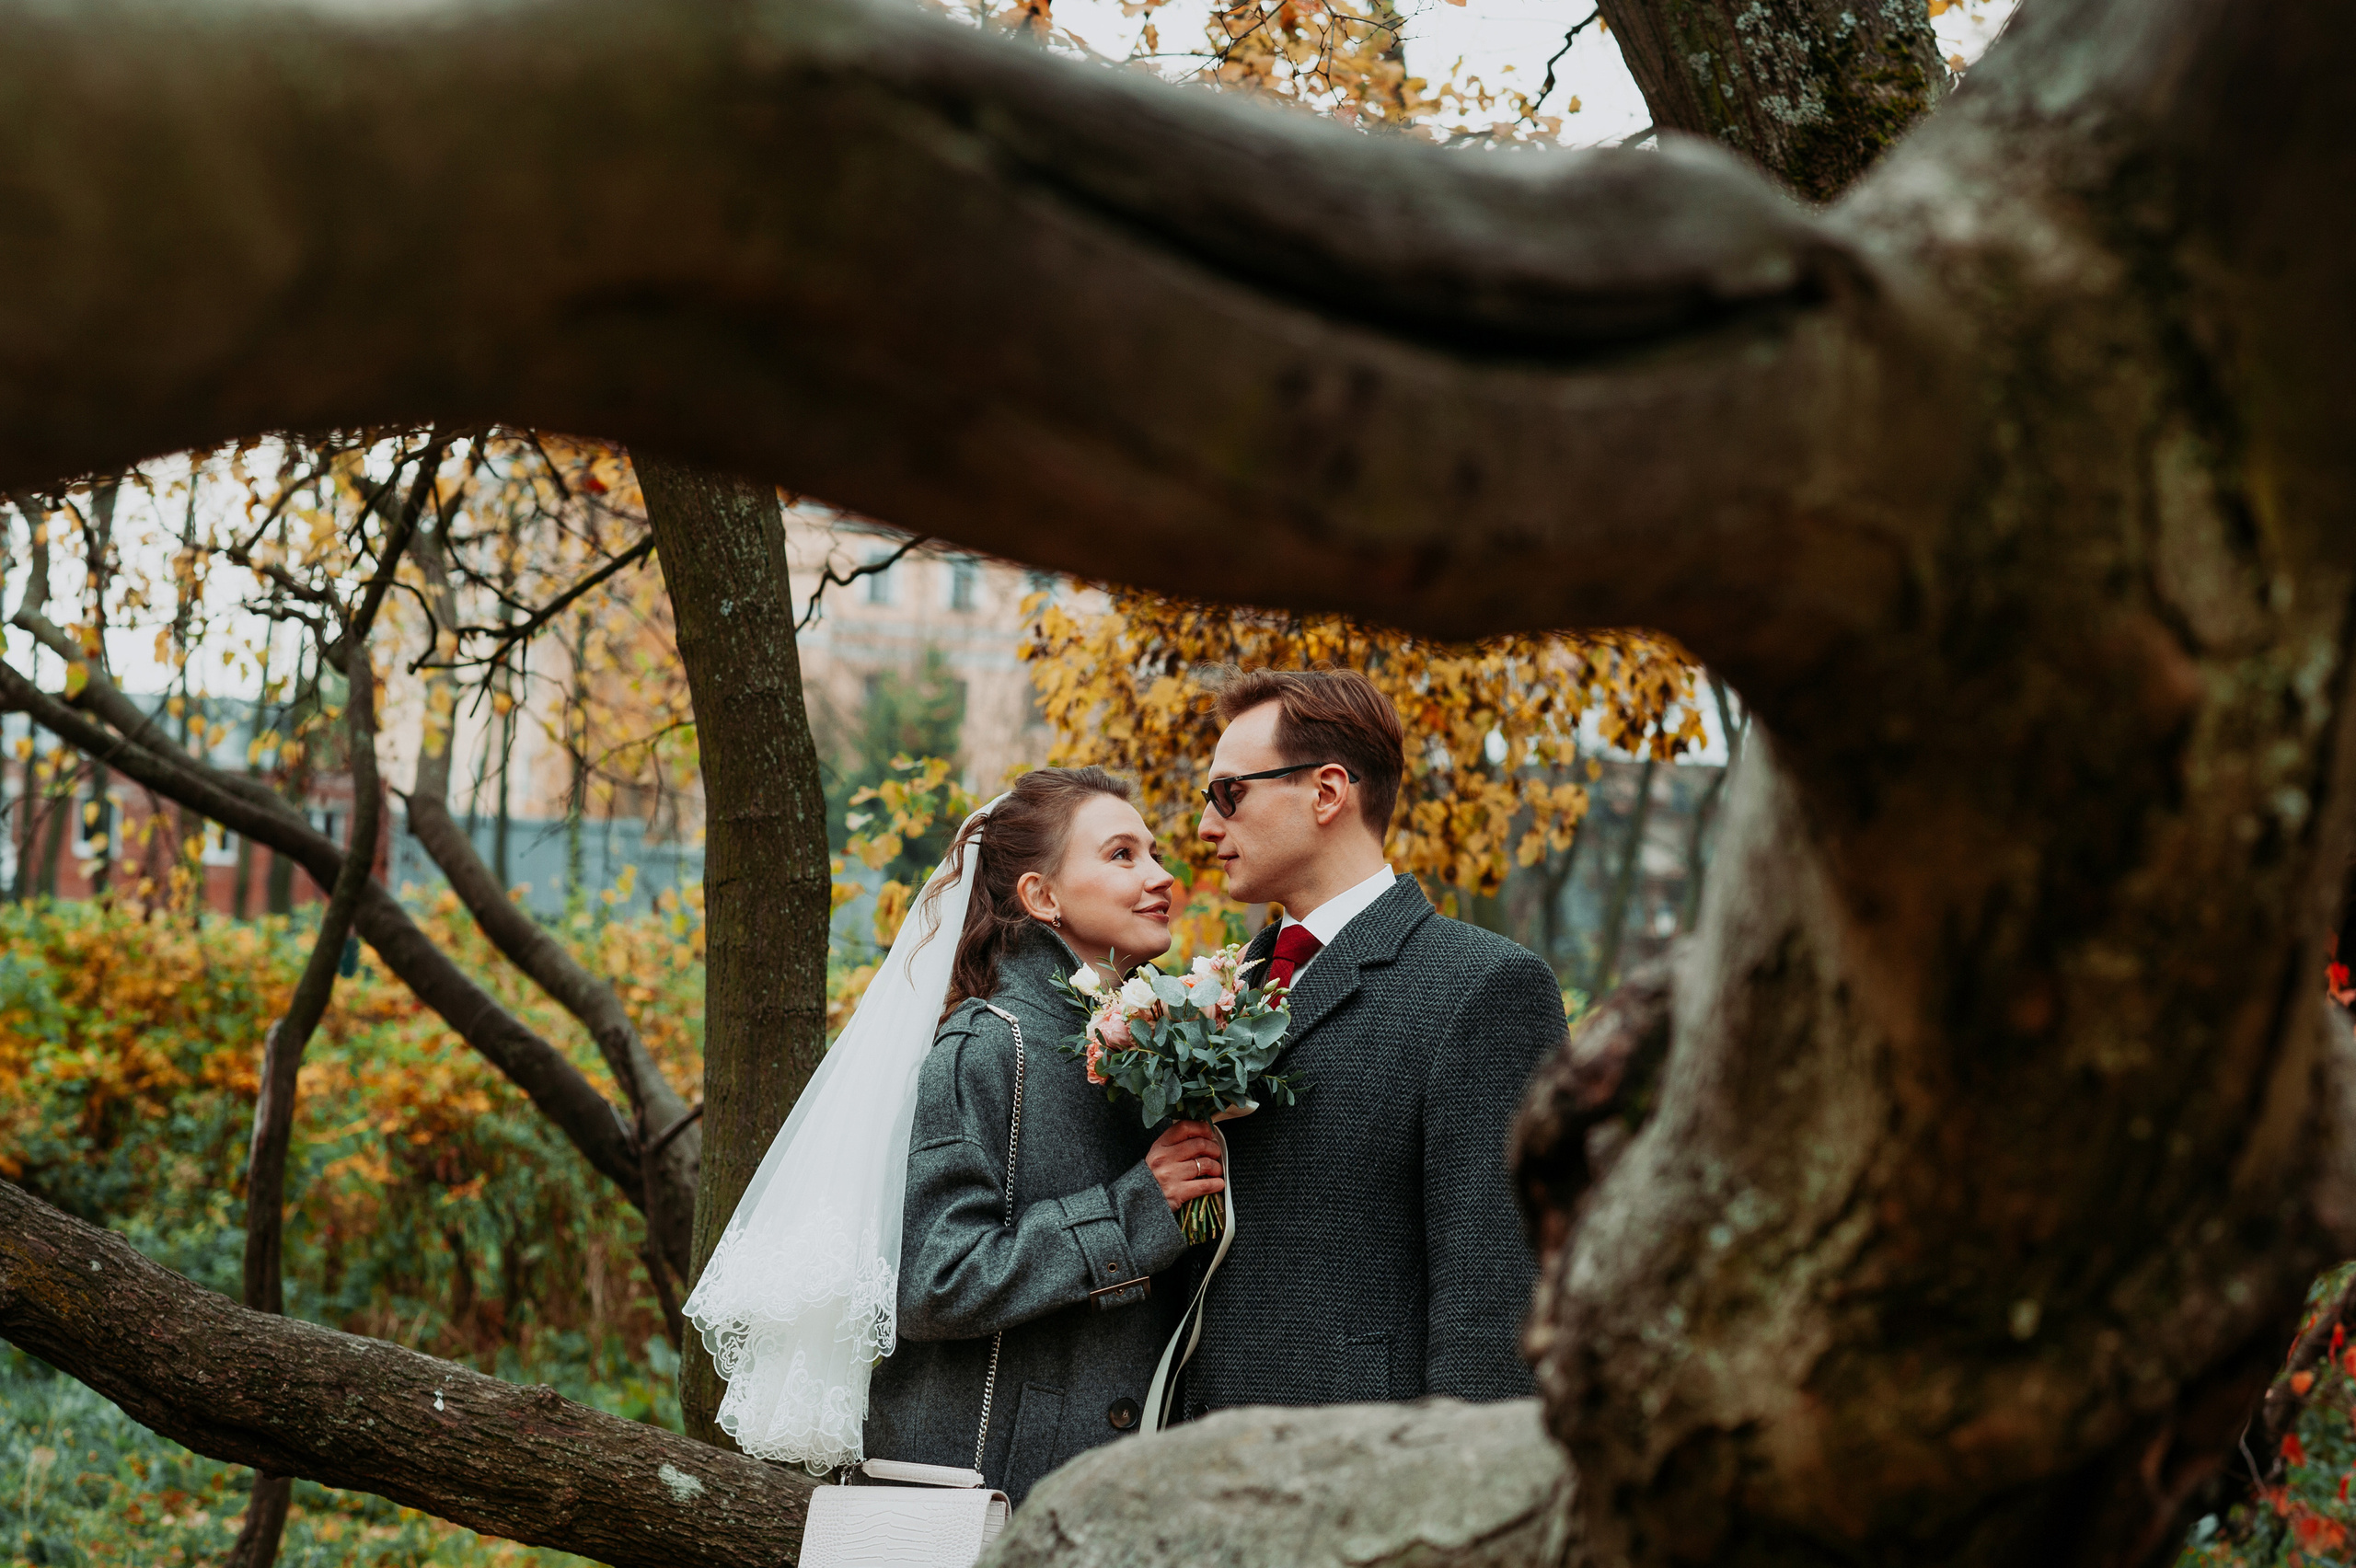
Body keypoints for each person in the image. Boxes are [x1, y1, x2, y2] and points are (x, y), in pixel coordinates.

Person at [685, 767, 1221, 1505]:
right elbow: (934, 1280)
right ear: (1042, 897)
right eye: (1123, 855)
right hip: (985, 1491)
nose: (1162, 876)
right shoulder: (988, 1047)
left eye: (1155, 853)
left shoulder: (1145, 1050)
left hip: (1117, 1493)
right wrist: (1134, 1213)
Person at [1175, 666, 1567, 1418]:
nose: (1205, 828)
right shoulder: (1222, 988)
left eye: (1230, 794)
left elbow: (1495, 1297)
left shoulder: (1486, 987)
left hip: (1357, 1473)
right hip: (1192, 1455)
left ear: (1327, 792)